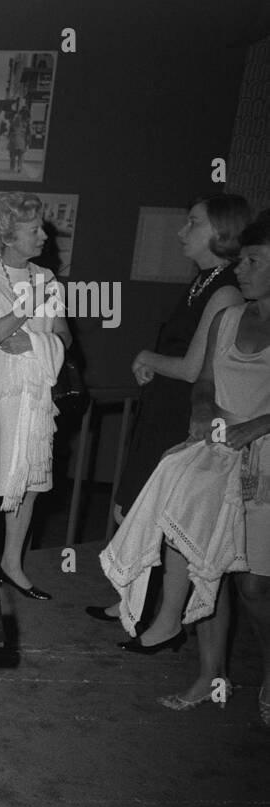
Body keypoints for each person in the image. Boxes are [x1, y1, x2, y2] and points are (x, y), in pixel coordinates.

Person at [88, 195, 250, 639]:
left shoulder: (227, 290)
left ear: (220, 231)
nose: (182, 232)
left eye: (192, 223)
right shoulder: (204, 282)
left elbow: (194, 368)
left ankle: (165, 622)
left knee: (171, 519)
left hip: (186, 415)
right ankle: (132, 603)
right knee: (139, 504)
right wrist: (154, 364)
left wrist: (146, 356)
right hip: (164, 407)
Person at [135, 211, 270, 722]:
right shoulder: (229, 318)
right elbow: (206, 382)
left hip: (266, 462)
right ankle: (211, 674)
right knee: (206, 564)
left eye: (255, 260)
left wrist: (259, 426)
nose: (242, 267)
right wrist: (200, 409)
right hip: (219, 455)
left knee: (255, 585)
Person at [0, 193, 71, 600]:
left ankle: (12, 563)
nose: (44, 236)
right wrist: (27, 310)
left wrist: (31, 346)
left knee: (27, 483)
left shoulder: (49, 279)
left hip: (34, 394)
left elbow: (64, 337)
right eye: (34, 230)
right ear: (9, 236)